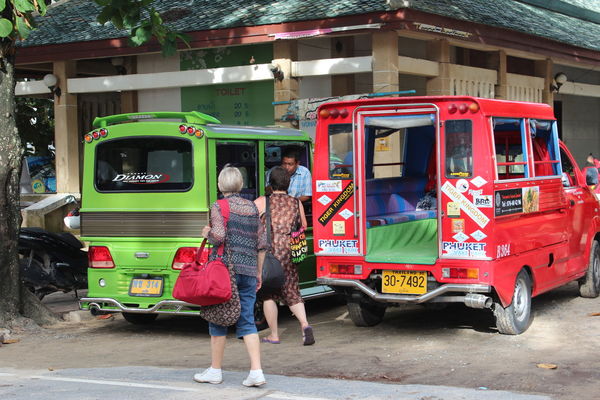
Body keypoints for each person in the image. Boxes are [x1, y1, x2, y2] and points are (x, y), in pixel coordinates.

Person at [196, 166, 268, 387]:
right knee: (247, 320)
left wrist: (206, 232)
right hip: (247, 271)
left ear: (220, 185)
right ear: (240, 185)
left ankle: (215, 371)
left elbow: (219, 236)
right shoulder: (252, 207)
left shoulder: (219, 206)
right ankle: (256, 372)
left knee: (217, 319)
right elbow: (262, 243)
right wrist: (258, 272)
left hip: (224, 272)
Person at [254, 166, 315, 346]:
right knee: (292, 291)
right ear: (288, 183)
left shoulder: (261, 202)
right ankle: (305, 325)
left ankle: (274, 334)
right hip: (289, 250)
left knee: (268, 294)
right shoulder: (296, 202)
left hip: (269, 251)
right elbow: (303, 225)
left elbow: (251, 224)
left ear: (270, 185)